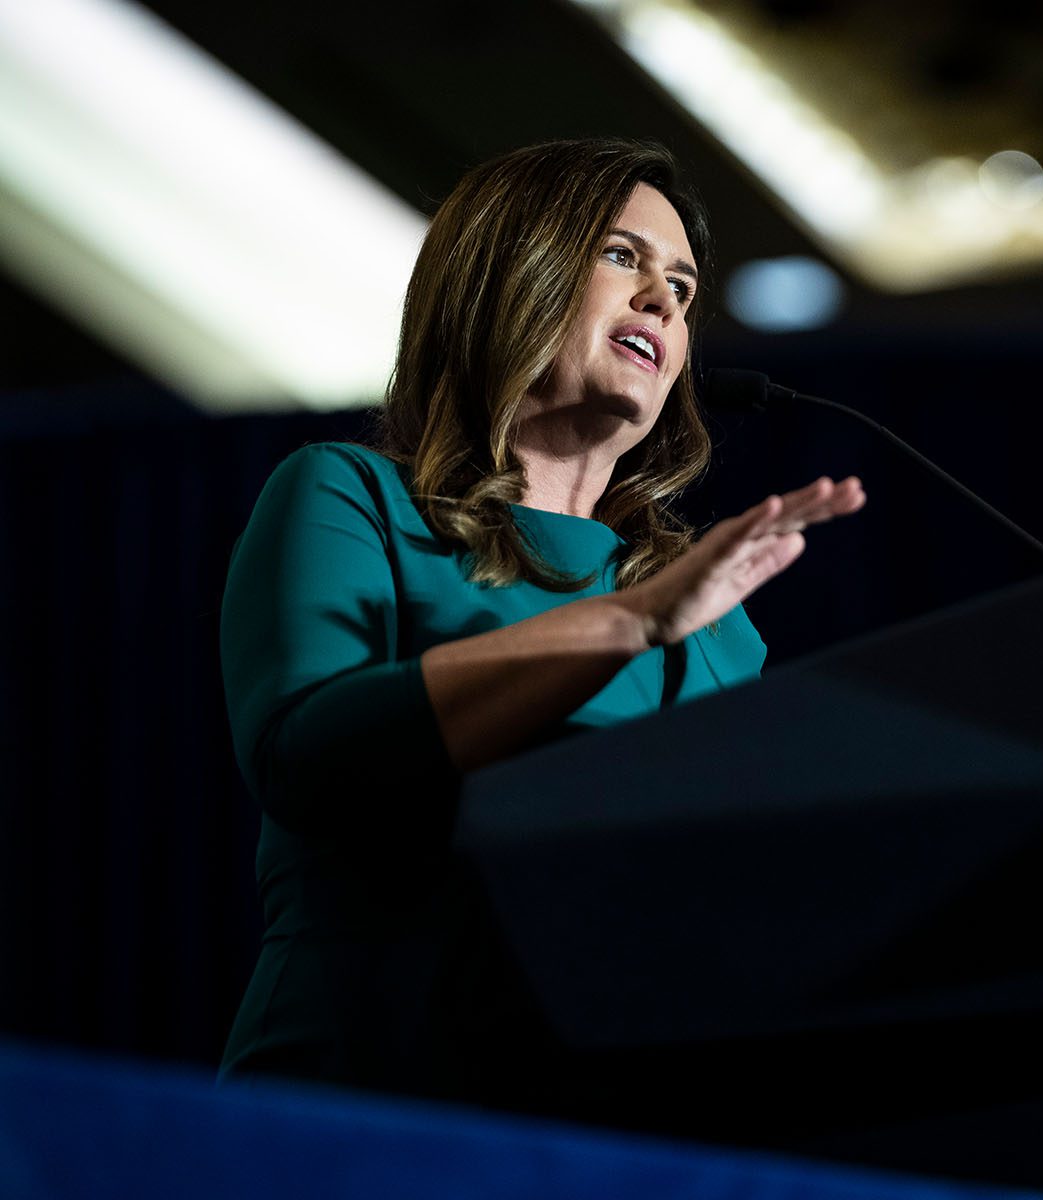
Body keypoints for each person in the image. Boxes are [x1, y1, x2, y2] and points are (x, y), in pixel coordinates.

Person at [216, 139, 864, 1100]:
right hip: (349, 1107)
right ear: (507, 274)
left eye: (683, 288)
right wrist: (627, 625)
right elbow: (306, 762)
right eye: (621, 257)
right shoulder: (351, 497)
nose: (664, 302)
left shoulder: (724, 631)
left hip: (603, 1134)